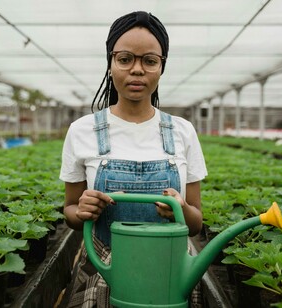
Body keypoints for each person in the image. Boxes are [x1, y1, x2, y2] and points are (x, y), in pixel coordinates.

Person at [59, 11, 207, 307]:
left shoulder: (182, 131)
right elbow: (70, 211)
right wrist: (85, 209)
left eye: (149, 61)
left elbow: (196, 223)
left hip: (168, 270)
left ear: (161, 67)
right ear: (111, 63)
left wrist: (180, 209)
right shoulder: (82, 130)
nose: (137, 70)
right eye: (125, 59)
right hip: (105, 269)